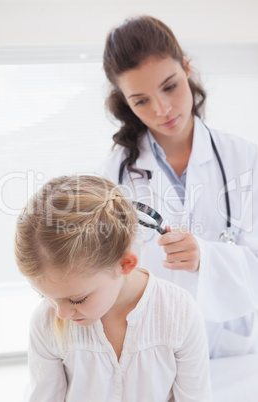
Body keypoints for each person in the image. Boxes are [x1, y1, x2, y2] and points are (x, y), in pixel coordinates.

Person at [98, 15, 258, 359]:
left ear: (186, 68)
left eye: (169, 86)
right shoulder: (112, 175)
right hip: (150, 351)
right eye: (141, 100)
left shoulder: (245, 158)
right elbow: (103, 272)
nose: (162, 109)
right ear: (126, 102)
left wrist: (207, 257)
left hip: (230, 350)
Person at [15, 175, 211, 402]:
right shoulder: (45, 321)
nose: (61, 313)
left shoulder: (179, 312)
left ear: (125, 265)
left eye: (77, 300)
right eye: (45, 295)